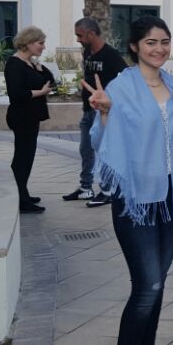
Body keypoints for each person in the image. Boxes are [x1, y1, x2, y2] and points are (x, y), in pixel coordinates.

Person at [82, 17, 173, 345]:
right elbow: (100, 142)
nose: (159, 49)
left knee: (158, 282)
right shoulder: (120, 87)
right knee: (147, 284)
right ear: (135, 46)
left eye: (165, 41)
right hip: (135, 199)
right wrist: (105, 112)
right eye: (151, 42)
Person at [65, 17, 128, 207]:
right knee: (85, 149)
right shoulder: (87, 53)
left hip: (103, 112)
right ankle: (86, 188)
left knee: (105, 151)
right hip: (88, 110)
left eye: (80, 35)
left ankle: (107, 190)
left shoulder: (111, 55)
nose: (77, 39)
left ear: (91, 33)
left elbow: (127, 79)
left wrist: (111, 100)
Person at [4, 26, 56, 213]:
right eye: (40, 43)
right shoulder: (14, 64)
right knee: (22, 158)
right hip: (22, 117)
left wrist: (40, 68)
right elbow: (15, 93)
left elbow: (51, 80)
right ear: (28, 43)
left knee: (26, 157)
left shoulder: (30, 63)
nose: (43, 47)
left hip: (31, 117)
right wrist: (40, 93)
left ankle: (22, 193)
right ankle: (20, 199)